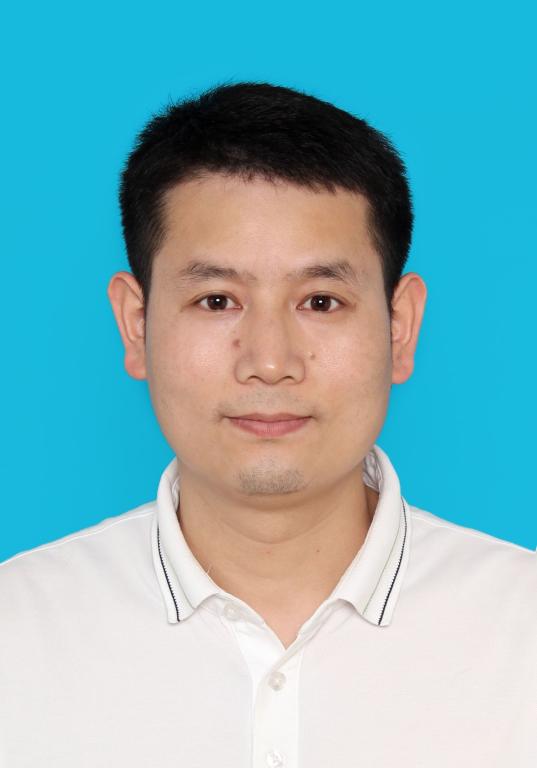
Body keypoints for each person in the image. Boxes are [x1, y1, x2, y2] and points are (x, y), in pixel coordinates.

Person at [0, 81, 535, 768]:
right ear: (135, 325)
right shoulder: (17, 633)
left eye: (320, 301)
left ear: (400, 327)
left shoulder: (521, 632)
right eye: (216, 300)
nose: (270, 362)